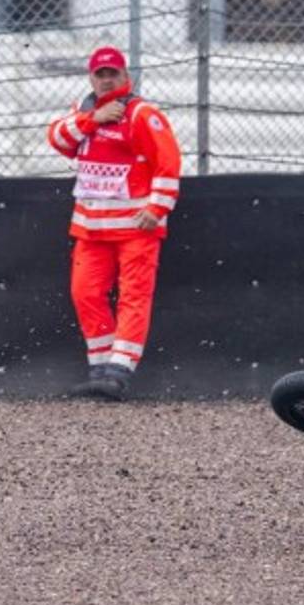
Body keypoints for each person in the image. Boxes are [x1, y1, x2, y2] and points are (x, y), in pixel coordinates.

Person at [46, 46, 182, 400]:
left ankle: (118, 373)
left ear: (126, 77)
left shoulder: (142, 114)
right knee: (85, 293)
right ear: (91, 78)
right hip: (90, 229)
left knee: (134, 297)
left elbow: (168, 163)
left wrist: (157, 209)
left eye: (113, 73)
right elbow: (58, 139)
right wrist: (95, 118)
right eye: (100, 74)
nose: (106, 80)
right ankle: (101, 368)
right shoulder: (85, 110)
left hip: (136, 228)